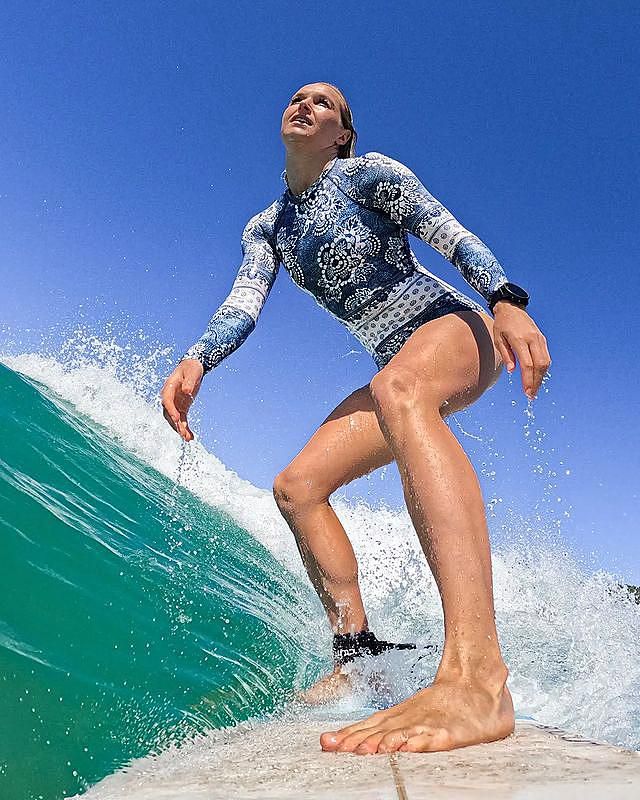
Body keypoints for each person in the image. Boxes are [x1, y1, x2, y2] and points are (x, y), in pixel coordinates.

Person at [160, 81, 551, 754]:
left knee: (400, 387)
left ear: (342, 135)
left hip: (457, 328)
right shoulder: (268, 228)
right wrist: (198, 359)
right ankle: (357, 655)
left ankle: (477, 676)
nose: (305, 103)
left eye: (325, 103)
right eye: (298, 96)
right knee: (298, 487)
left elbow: (449, 234)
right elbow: (243, 302)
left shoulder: (368, 174)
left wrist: (505, 299)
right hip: (397, 369)